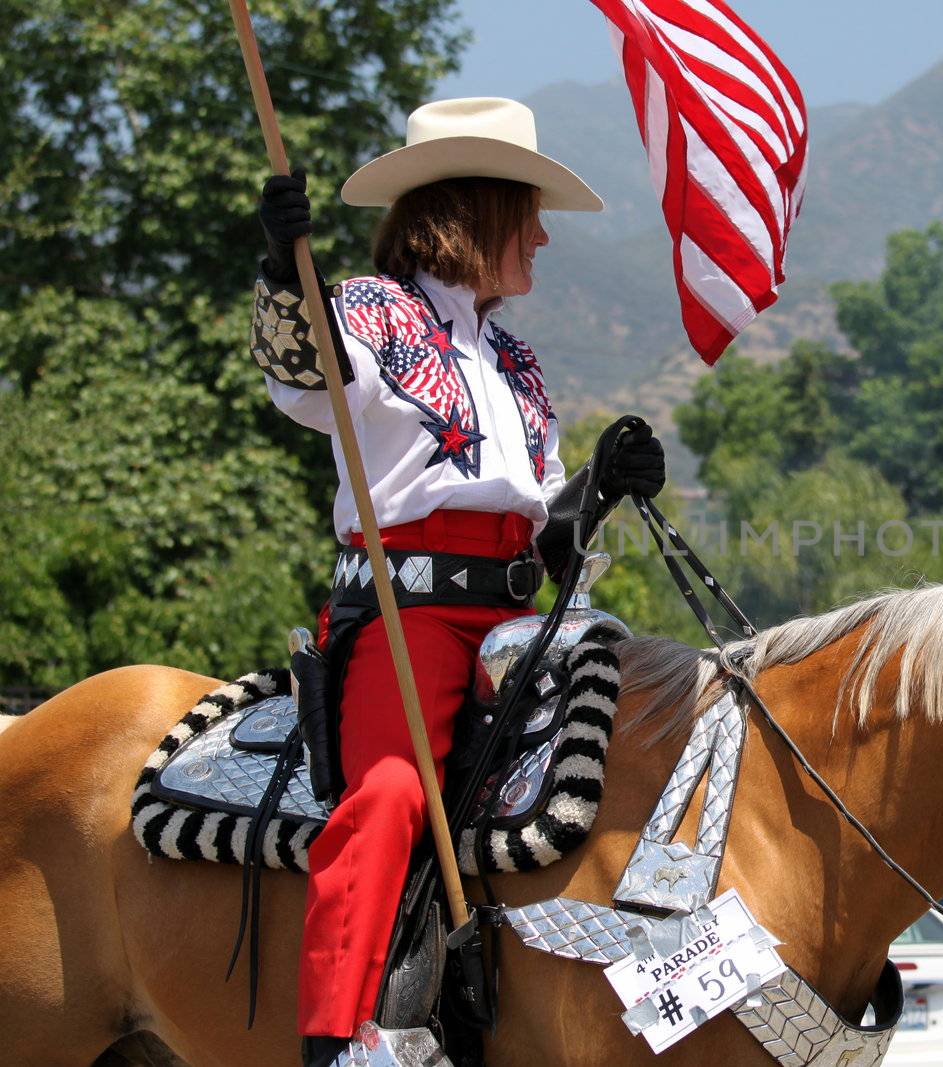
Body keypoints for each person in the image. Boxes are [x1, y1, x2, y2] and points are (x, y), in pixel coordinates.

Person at [252, 97, 665, 1067]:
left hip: (519, 616)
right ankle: (339, 1040)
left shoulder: (514, 359)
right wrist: (283, 273)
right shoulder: (368, 309)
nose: (543, 235)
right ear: (480, 210)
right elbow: (304, 376)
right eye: (528, 211)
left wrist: (595, 489)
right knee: (391, 794)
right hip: (412, 614)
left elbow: (542, 523)